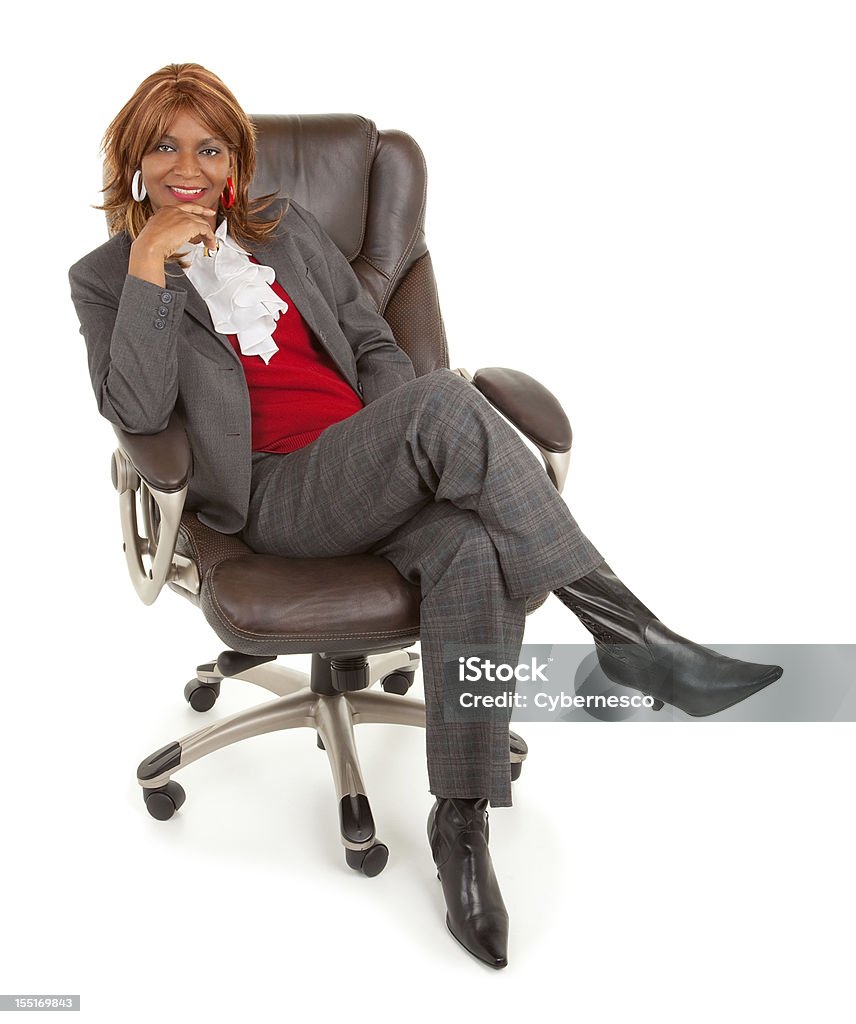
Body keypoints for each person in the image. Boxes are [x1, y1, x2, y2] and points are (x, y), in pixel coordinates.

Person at [70, 64, 783, 970]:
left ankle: (463, 828)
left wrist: (392, 448)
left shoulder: (282, 231)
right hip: (277, 496)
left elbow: (373, 343)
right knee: (447, 403)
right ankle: (631, 634)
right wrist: (148, 269)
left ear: (234, 161)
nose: (188, 166)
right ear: (133, 157)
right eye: (165, 145)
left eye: (209, 147)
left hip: (372, 462)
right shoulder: (104, 278)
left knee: (474, 548)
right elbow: (134, 412)